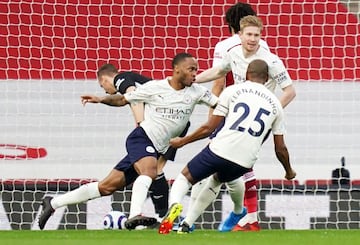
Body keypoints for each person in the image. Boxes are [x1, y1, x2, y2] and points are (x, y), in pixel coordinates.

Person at [38, 53, 218, 230]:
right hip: (141, 138)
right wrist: (101, 99)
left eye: (196, 69)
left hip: (156, 147)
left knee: (106, 187)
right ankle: (134, 215)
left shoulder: (198, 92)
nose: (195, 74)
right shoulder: (155, 87)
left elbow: (220, 105)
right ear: (176, 70)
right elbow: (123, 99)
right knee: (150, 171)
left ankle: (53, 202)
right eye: (191, 69)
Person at [158, 59, 296, 234]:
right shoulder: (276, 105)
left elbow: (210, 127)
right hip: (245, 162)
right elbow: (280, 148)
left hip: (220, 149)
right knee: (216, 180)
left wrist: (182, 141)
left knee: (185, 177)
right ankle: (187, 224)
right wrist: (289, 171)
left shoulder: (233, 91)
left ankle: (174, 206)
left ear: (246, 75)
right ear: (267, 77)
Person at [195, 14, 296, 231]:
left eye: (257, 35)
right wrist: (193, 80)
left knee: (236, 162)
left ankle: (246, 217)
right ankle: (247, 217)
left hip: (257, 119)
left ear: (261, 36)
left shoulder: (270, 60)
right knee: (236, 164)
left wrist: (270, 110)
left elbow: (290, 91)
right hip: (236, 115)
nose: (252, 39)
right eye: (249, 34)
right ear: (239, 35)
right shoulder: (232, 53)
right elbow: (219, 71)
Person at [96, 64, 191, 219]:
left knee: (154, 170)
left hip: (166, 124)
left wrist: (140, 124)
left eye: (102, 86)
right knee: (156, 169)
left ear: (105, 78)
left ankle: (163, 215)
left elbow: (134, 97)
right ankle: (165, 215)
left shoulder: (121, 78)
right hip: (178, 121)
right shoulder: (141, 81)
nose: (105, 90)